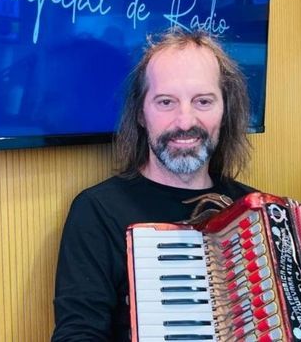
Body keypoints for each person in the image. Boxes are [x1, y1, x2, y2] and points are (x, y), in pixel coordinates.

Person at [51, 29, 256, 341]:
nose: (185, 121)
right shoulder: (98, 212)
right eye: (166, 102)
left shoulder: (256, 212)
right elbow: (77, 334)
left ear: (225, 111)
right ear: (141, 114)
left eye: (203, 101)